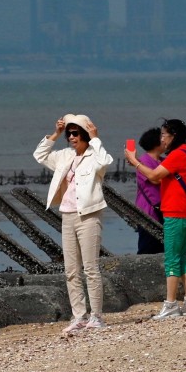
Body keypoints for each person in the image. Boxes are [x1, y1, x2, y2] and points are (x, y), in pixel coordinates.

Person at [34, 114, 113, 334]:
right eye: (69, 133)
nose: (71, 137)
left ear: (85, 134)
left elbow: (106, 161)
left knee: (90, 268)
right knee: (71, 270)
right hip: (67, 216)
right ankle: (79, 316)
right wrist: (55, 134)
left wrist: (96, 139)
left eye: (75, 133)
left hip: (89, 215)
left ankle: (96, 316)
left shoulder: (94, 156)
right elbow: (39, 155)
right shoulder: (65, 156)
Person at [125, 118, 186, 320]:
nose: (162, 140)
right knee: (181, 256)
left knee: (171, 259)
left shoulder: (177, 155)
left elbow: (154, 176)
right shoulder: (185, 152)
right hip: (183, 212)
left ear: (173, 136)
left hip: (176, 212)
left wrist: (135, 162)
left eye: (164, 135)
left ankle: (171, 304)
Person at [133, 126, 165, 255]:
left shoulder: (164, 160)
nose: (165, 141)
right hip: (148, 211)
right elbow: (156, 180)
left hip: (163, 210)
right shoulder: (144, 161)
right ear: (156, 143)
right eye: (163, 138)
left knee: (164, 247)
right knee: (147, 248)